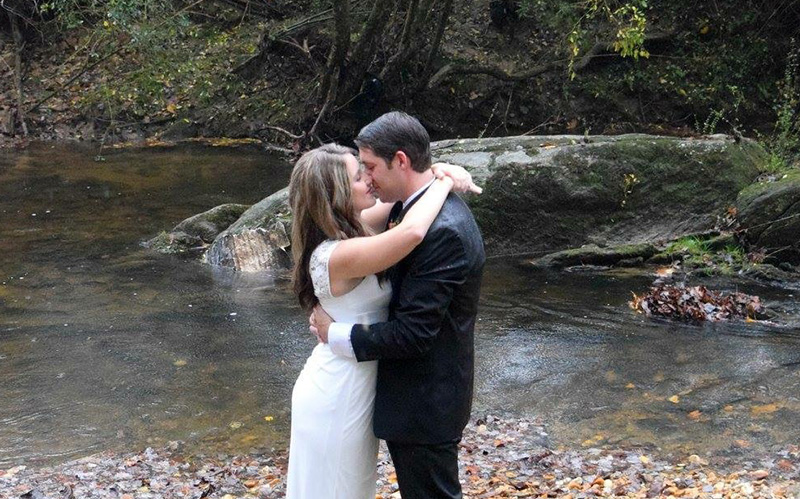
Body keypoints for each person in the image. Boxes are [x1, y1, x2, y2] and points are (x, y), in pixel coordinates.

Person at [285, 141, 480, 499]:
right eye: (359, 176)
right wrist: (443, 182)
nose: (369, 182)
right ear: (337, 194)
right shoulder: (339, 253)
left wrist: (440, 171)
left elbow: (406, 195)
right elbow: (412, 231)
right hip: (338, 392)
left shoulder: (355, 226)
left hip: (358, 382)